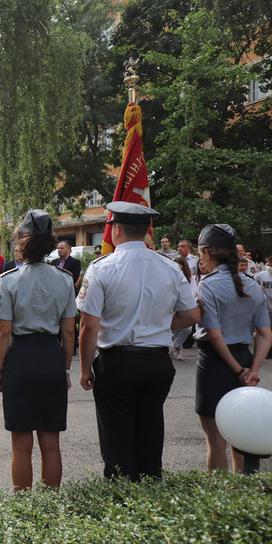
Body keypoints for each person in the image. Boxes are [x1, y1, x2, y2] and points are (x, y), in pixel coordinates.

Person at [77, 202, 200, 481]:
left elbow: (88, 326)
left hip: (118, 362)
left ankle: (123, 502)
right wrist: (157, 323)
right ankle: (150, 491)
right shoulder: (168, 266)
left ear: (116, 229)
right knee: (150, 431)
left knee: (117, 437)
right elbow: (192, 314)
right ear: (146, 233)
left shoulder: (101, 268)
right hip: (157, 362)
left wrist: (85, 369)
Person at [0, 209, 77, 490]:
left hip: (20, 360)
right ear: (50, 243)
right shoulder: (64, 279)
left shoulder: (9, 279)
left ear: (22, 243)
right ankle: (49, 506)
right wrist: (65, 369)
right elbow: (68, 332)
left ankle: (23, 511)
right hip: (52, 357)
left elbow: (3, 332)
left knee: (21, 445)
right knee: (51, 443)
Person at [194, 224, 272, 472]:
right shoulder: (252, 285)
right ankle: (242, 496)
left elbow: (215, 336)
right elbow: (265, 334)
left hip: (215, 363)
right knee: (241, 437)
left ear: (207, 252)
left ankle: (218, 503)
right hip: (244, 358)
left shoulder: (208, 284)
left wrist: (238, 369)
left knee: (215, 441)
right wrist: (252, 369)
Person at [170, 256, 195, 361]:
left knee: (187, 329)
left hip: (186, 305)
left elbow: (194, 291)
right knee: (176, 329)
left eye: (179, 264)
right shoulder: (170, 277)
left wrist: (185, 300)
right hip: (174, 305)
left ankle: (174, 347)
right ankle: (180, 351)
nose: (177, 266)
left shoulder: (190, 278)